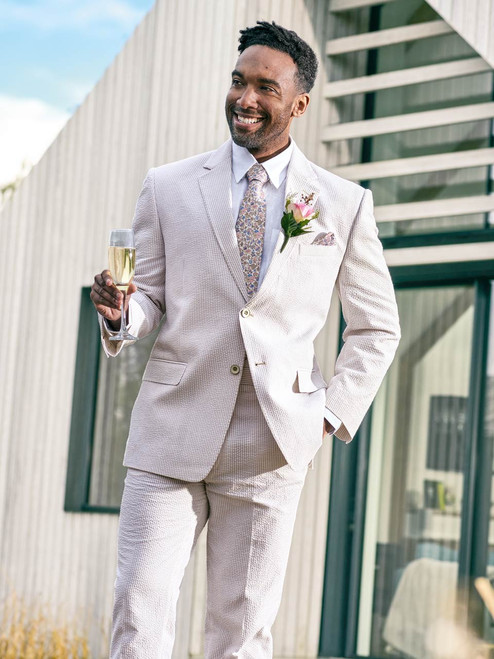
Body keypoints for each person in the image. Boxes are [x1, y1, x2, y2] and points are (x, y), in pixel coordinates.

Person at [90, 20, 400, 659]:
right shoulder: (169, 185)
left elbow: (375, 327)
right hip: (169, 430)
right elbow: (149, 298)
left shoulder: (342, 204)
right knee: (138, 614)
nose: (245, 98)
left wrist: (327, 417)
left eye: (265, 86)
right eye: (238, 81)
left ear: (300, 103)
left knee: (240, 632)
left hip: (273, 442)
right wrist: (122, 313)